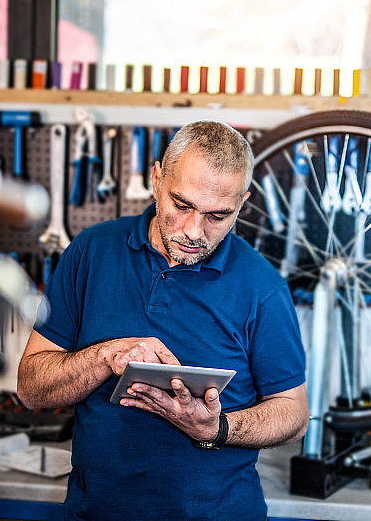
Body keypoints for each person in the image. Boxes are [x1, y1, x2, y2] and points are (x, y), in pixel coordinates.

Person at [17, 120, 309, 520]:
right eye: (182, 205)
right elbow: (32, 390)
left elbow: (293, 415)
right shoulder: (91, 252)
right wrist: (106, 355)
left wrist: (217, 429)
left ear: (242, 203)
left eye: (218, 216)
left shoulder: (263, 288)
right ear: (156, 178)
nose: (194, 231)